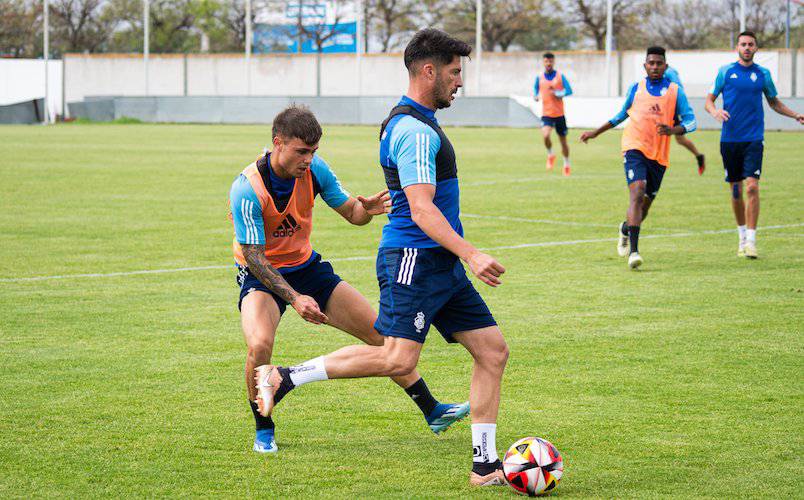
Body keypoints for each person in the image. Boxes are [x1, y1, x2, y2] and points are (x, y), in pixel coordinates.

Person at [253, 29, 510, 487]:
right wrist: (471, 253)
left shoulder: (419, 122)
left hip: (440, 264)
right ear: (428, 70)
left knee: (492, 351)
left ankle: (484, 464)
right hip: (414, 259)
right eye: (454, 72)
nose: (460, 82)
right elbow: (421, 207)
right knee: (395, 357)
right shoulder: (412, 130)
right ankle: (285, 376)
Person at [229, 105, 470, 454]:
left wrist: (365, 210)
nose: (308, 159)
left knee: (382, 336)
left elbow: (352, 214)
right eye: (301, 151)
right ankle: (263, 426)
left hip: (308, 268)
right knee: (260, 346)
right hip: (261, 274)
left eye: (313, 151)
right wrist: (295, 298)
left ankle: (432, 409)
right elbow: (254, 256)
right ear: (277, 143)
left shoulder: (315, 171)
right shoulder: (247, 189)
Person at [580, 46, 697, 270]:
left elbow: (692, 122)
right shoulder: (637, 88)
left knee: (644, 207)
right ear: (645, 66)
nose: (654, 67)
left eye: (658, 63)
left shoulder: (675, 92)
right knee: (637, 190)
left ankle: (625, 229)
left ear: (666, 66)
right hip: (634, 147)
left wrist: (674, 130)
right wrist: (596, 132)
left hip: (659, 156)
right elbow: (621, 114)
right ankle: (634, 251)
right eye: (650, 63)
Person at [705, 30, 804, 259]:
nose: (747, 47)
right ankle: (741, 237)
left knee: (752, 187)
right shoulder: (725, 72)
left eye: (751, 44)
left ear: (756, 48)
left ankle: (751, 240)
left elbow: (774, 102)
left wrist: (795, 115)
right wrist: (715, 111)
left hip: (753, 138)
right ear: (737, 47)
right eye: (743, 44)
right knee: (737, 190)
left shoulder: (763, 74)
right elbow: (709, 100)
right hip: (729, 140)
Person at [533, 52, 574, 175]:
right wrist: (535, 96)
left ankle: (566, 164)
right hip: (547, 114)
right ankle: (551, 154)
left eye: (550, 61)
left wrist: (559, 93)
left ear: (553, 62)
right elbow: (535, 89)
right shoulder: (539, 77)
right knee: (545, 135)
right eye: (546, 61)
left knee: (563, 142)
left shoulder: (560, 76)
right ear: (543, 62)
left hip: (559, 114)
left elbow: (569, 90)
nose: (548, 63)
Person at [664, 65, 706, 175]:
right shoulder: (662, 71)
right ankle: (699, 156)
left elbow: (678, 89)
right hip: (665, 108)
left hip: (671, 110)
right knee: (680, 139)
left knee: (664, 133)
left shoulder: (669, 72)